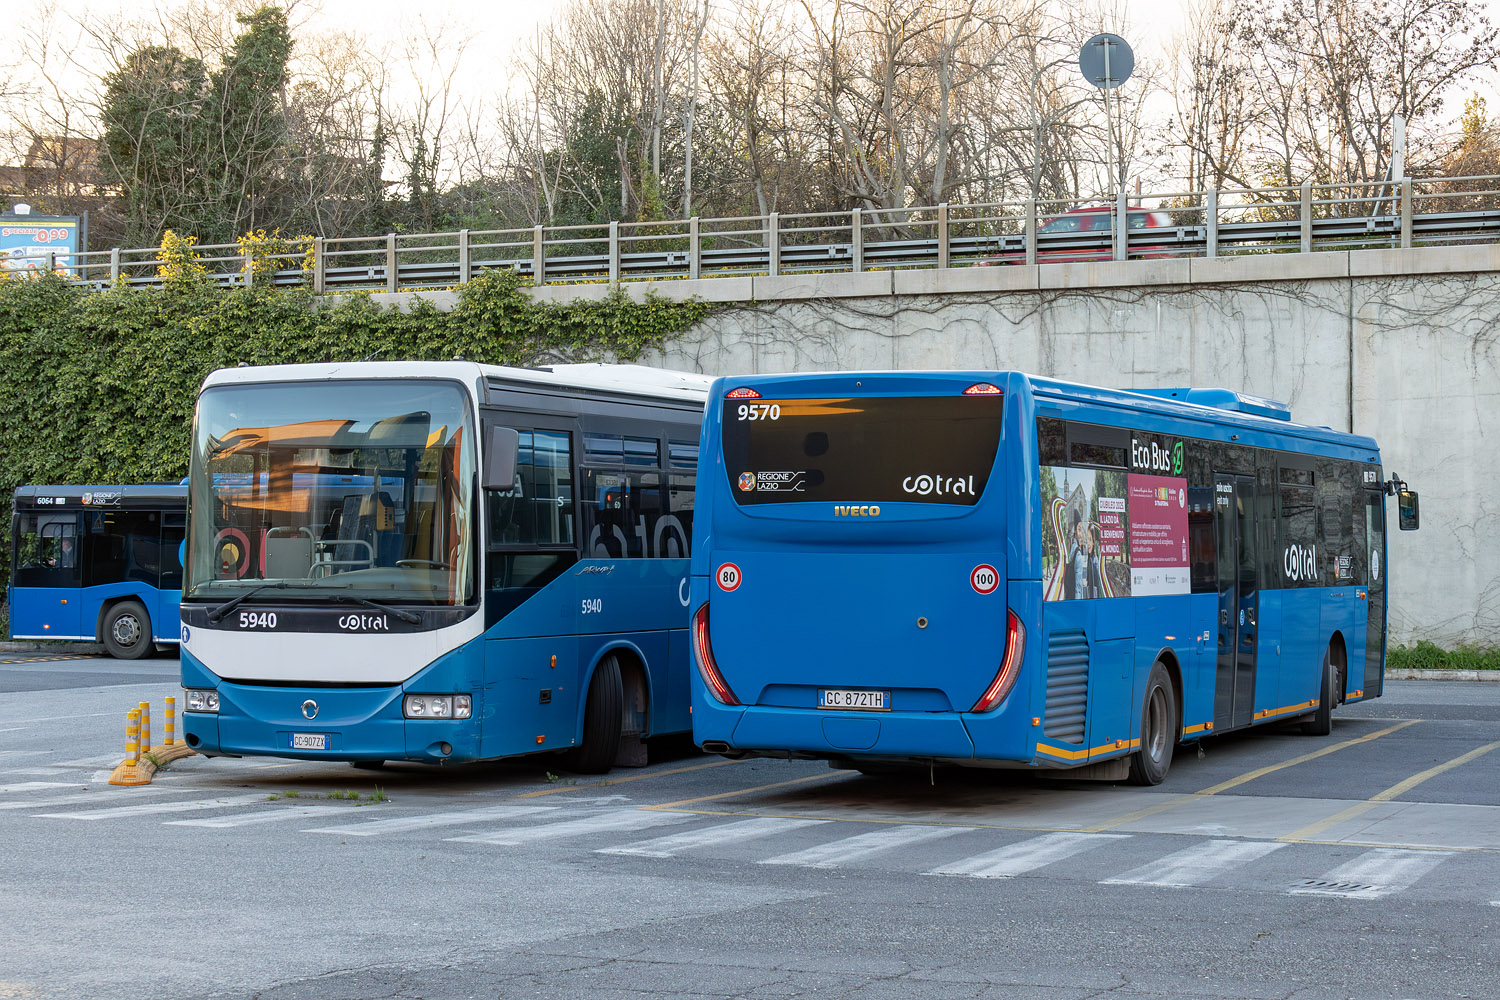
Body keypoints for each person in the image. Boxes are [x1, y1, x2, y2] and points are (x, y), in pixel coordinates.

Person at [1063, 509, 1103, 600]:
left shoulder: (1071, 550)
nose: (1082, 535)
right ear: (1074, 532)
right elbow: (1078, 588)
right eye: (1079, 529)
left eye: (1090, 539)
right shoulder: (1077, 555)